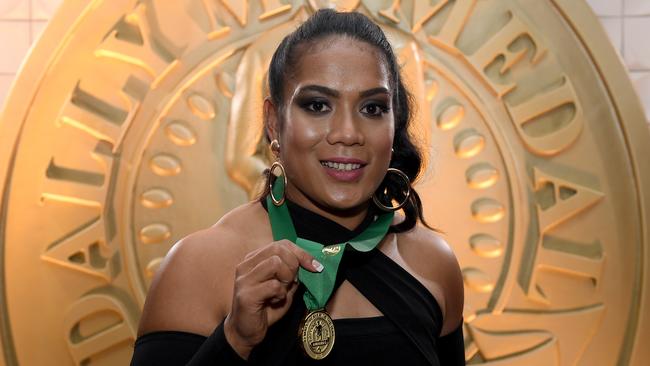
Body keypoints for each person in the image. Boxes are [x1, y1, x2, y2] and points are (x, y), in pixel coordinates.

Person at [131, 9, 465, 366]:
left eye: (372, 108)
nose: (347, 133)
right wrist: (234, 340)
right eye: (318, 105)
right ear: (275, 123)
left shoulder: (434, 263)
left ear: (393, 124)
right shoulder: (198, 266)